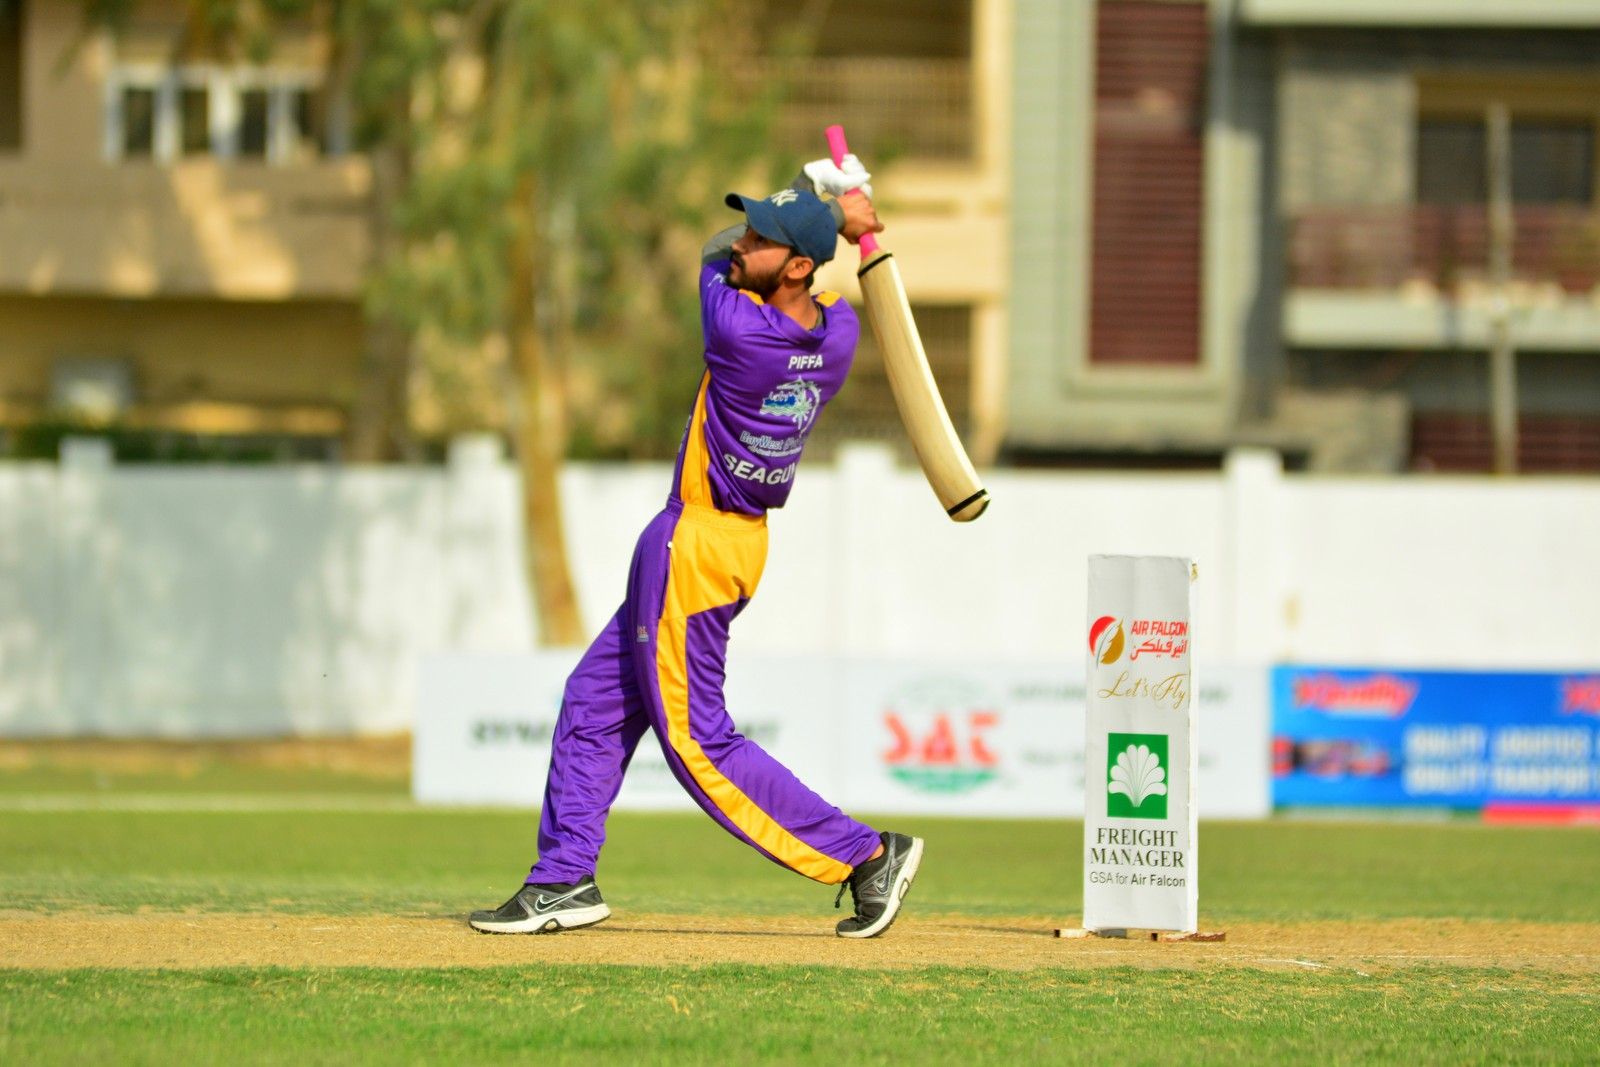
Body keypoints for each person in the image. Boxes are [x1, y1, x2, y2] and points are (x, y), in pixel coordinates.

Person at [470, 154, 924, 939]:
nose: (742, 242)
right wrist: (841, 216)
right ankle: (563, 877)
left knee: (696, 739)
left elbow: (711, 254)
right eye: (749, 228)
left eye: (762, 238)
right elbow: (823, 293)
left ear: (797, 266)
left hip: (697, 543)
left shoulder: (738, 330)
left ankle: (866, 855)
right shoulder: (839, 339)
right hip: (732, 543)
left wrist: (829, 209)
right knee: (592, 705)